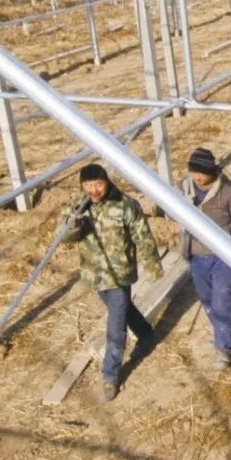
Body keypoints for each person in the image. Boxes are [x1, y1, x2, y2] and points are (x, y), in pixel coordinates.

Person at [63, 163, 163, 402]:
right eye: (88, 186)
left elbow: (143, 237)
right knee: (122, 310)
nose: (94, 190)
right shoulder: (77, 207)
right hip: (95, 275)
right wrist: (72, 226)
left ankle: (110, 375)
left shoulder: (126, 205)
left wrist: (153, 267)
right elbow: (65, 237)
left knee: (115, 326)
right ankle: (146, 333)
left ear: (107, 182)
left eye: (98, 184)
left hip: (119, 276)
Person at [181, 147, 231, 369]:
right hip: (196, 254)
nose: (197, 177)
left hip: (223, 255)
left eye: (201, 172)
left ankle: (223, 349)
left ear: (212, 171)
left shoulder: (229, 191)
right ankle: (222, 326)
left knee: (221, 297)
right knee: (206, 298)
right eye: (193, 171)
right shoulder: (184, 188)